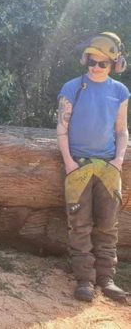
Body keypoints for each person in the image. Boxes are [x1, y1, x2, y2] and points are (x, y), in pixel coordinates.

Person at [57, 32, 130, 302]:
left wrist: (118, 160)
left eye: (102, 63)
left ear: (114, 65)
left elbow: (122, 131)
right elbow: (62, 129)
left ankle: (106, 279)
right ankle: (84, 280)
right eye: (92, 62)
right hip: (79, 167)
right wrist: (69, 163)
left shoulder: (120, 92)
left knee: (108, 226)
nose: (96, 68)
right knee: (79, 225)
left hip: (109, 168)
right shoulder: (72, 88)